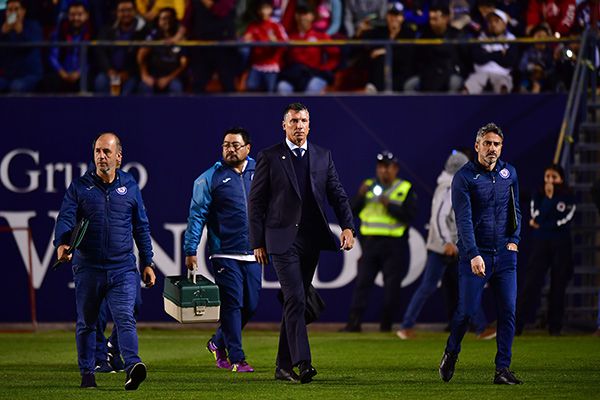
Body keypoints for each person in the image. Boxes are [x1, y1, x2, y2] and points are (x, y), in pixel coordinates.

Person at [248, 102, 355, 384]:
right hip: (281, 241)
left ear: (310, 125)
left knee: (297, 303)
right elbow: (256, 202)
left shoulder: (323, 156)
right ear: (284, 125)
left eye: (303, 121)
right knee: (295, 298)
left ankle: (282, 367)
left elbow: (338, 194)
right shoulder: (269, 156)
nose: (299, 125)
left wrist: (347, 226)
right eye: (293, 121)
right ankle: (303, 363)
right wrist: (257, 241)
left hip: (311, 240)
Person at [54, 132, 156, 390]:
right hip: (88, 267)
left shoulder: (130, 186)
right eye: (98, 151)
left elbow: (141, 227)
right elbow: (65, 218)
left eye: (106, 152)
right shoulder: (79, 187)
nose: (101, 156)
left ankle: (133, 366)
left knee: (125, 317)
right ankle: (87, 373)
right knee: (87, 323)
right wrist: (62, 243)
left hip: (121, 267)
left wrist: (147, 262)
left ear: (118, 157)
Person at [439, 122, 523, 385]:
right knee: (466, 311)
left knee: (508, 311)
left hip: (505, 255)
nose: (492, 149)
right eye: (487, 143)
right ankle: (452, 352)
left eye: (496, 144)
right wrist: (474, 253)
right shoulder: (463, 177)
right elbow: (463, 220)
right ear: (477, 146)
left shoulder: (510, 173)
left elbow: (515, 209)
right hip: (476, 256)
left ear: (502, 147)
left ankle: (502, 369)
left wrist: (514, 240)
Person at [184, 127, 262, 373]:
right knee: (232, 304)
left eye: (236, 145)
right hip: (224, 252)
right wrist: (190, 248)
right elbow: (197, 215)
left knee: (251, 305)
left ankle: (217, 342)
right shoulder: (209, 177)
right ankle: (238, 359)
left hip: (253, 251)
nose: (230, 149)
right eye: (226, 145)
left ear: (248, 148)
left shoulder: (260, 171)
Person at [396, 151, 495, 340]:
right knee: (444, 286)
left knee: (453, 286)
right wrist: (446, 242)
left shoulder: (449, 185)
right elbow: (439, 218)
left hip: (451, 246)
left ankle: (481, 327)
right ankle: (481, 327)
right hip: (446, 247)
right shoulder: (450, 187)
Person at [341, 150, 417, 332]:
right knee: (362, 285)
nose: (384, 171)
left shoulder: (404, 188)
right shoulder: (368, 186)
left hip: (394, 245)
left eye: (388, 167)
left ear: (395, 169)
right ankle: (353, 324)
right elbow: (350, 211)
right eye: (381, 167)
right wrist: (360, 196)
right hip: (370, 244)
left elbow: (410, 216)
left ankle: (386, 326)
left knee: (392, 288)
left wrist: (388, 205)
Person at [516, 164, 575, 336]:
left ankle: (554, 326)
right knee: (531, 283)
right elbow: (536, 216)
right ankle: (517, 324)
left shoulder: (568, 196)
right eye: (547, 177)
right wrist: (548, 200)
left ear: (561, 179)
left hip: (562, 245)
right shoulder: (538, 194)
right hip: (540, 244)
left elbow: (564, 220)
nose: (550, 181)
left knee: (558, 285)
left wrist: (543, 223)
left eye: (554, 177)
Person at [276, 5, 340, 95]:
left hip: (314, 74)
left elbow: (335, 54)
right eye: (300, 14)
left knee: (312, 88)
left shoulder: (321, 36)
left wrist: (324, 69)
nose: (303, 17)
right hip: (294, 75)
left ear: (312, 16)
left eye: (306, 14)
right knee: (282, 87)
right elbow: (281, 57)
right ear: (296, 16)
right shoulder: (289, 37)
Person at [359, 2, 415, 93]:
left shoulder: (408, 33)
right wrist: (360, 31)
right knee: (380, 59)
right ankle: (376, 89)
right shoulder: (380, 32)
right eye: (391, 15)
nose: (393, 18)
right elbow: (363, 45)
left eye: (397, 15)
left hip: (400, 74)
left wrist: (386, 51)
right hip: (380, 76)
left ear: (402, 17)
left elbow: (406, 54)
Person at [94, 0, 148, 95]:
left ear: (135, 12)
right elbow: (100, 52)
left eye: (129, 10)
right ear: (116, 12)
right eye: (122, 11)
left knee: (127, 93)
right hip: (110, 72)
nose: (126, 14)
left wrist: (127, 73)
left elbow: (142, 56)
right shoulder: (107, 30)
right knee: (100, 82)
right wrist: (109, 70)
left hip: (131, 74)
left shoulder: (142, 31)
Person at [463, 9, 518, 95]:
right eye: (490, 21)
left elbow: (509, 61)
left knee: (503, 87)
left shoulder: (511, 39)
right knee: (468, 87)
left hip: (501, 73)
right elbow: (477, 58)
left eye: (496, 21)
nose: (493, 24)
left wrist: (487, 55)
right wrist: (498, 54)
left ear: (504, 24)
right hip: (480, 73)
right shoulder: (480, 38)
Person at [137, 7, 188, 94]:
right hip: (153, 76)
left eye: (169, 18)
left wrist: (168, 79)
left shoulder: (180, 38)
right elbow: (141, 56)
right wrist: (144, 75)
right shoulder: (153, 36)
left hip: (172, 78)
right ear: (158, 21)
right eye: (163, 18)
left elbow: (183, 64)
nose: (166, 21)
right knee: (144, 88)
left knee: (176, 87)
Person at [242, 0, 288, 93]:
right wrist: (246, 40)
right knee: (251, 88)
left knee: (270, 92)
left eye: (267, 8)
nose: (264, 11)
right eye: (261, 9)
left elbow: (285, 43)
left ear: (271, 10)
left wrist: (275, 42)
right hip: (256, 65)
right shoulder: (253, 26)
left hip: (272, 66)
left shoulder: (276, 25)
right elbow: (246, 40)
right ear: (258, 11)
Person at [47, 1, 92, 93]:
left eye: (79, 14)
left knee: (91, 80)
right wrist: (61, 72)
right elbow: (53, 55)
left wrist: (79, 73)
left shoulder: (92, 33)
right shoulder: (60, 31)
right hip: (63, 73)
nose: (76, 18)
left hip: (82, 74)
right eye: (72, 15)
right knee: (50, 80)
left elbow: (92, 59)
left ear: (86, 15)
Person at [0, 0, 43, 93]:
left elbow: (31, 45)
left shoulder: (33, 26)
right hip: (8, 75)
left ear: (23, 11)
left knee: (16, 86)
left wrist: (20, 32)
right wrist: (2, 33)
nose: (13, 13)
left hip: (29, 74)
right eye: (10, 10)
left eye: (16, 9)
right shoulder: (3, 29)